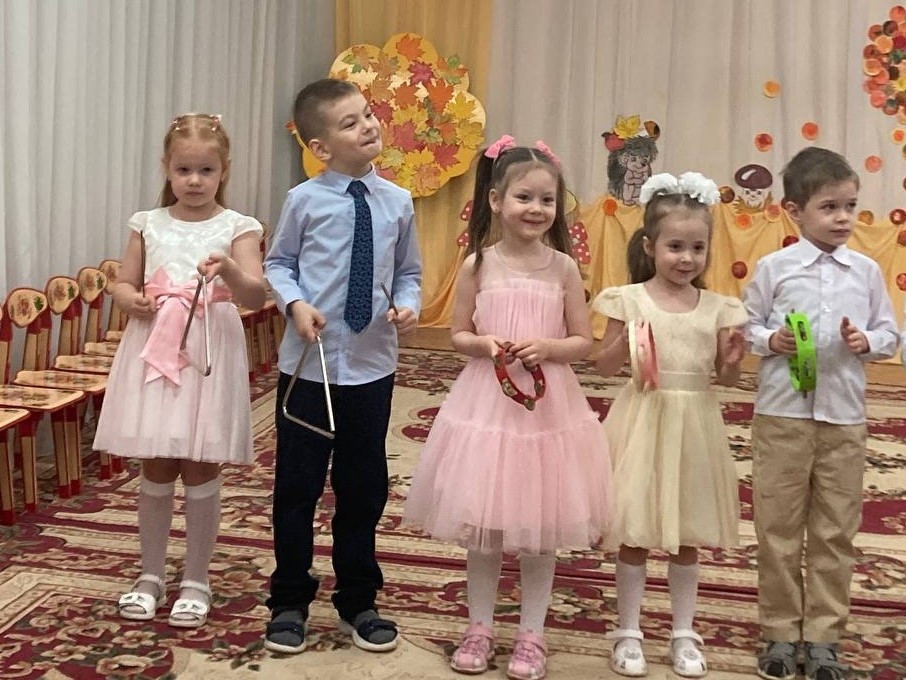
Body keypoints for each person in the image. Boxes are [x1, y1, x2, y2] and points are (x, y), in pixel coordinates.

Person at [403, 136, 613, 680]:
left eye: (547, 200)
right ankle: (479, 627)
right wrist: (486, 343)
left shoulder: (563, 268)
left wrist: (548, 348)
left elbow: (582, 340)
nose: (536, 209)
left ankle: (532, 633)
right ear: (496, 201)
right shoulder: (478, 265)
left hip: (548, 411)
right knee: (486, 528)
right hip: (487, 405)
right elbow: (458, 333)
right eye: (525, 197)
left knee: (540, 528)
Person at [262, 78, 422, 655]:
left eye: (368, 114)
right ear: (320, 147)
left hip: (371, 367)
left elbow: (408, 272)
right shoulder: (303, 200)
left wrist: (409, 304)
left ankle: (358, 598)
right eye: (350, 123)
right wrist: (295, 304)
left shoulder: (398, 201)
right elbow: (278, 264)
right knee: (297, 487)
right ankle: (288, 599)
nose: (368, 126)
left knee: (363, 488)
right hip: (310, 367)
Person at [94, 113, 267, 628]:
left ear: (224, 171)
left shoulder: (239, 226)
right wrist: (130, 299)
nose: (194, 181)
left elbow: (256, 294)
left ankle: (196, 578)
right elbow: (123, 282)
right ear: (167, 169)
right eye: (183, 170)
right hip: (154, 347)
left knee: (199, 463)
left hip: (207, 351)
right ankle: (150, 574)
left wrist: (229, 269)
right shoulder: (146, 223)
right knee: (156, 462)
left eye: (205, 171)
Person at [743, 147, 899, 680]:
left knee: (835, 530)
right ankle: (780, 632)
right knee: (778, 528)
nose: (843, 218)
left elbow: (890, 333)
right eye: (829, 207)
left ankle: (825, 636)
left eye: (850, 206)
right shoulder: (774, 269)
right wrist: (772, 339)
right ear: (794, 210)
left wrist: (867, 341)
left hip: (844, 418)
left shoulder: (867, 272)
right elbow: (746, 325)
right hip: (782, 414)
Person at [592, 171, 748, 678]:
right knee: (634, 531)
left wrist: (733, 359)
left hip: (694, 426)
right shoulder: (629, 298)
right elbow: (605, 367)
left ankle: (684, 631)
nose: (687, 258)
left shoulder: (720, 308)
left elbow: (726, 376)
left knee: (686, 537)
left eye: (698, 248)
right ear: (650, 246)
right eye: (675, 246)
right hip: (643, 421)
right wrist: (625, 341)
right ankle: (628, 631)